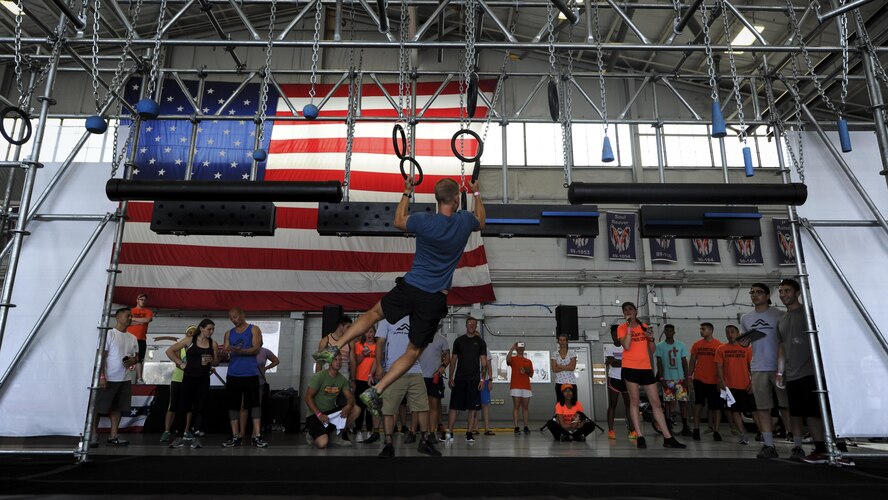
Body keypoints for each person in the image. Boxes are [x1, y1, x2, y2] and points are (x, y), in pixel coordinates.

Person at [311, 176, 485, 419]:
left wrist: (406, 191)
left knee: (373, 314)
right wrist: (476, 194)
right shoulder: (464, 220)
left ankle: (335, 347)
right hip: (433, 298)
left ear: (436, 199)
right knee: (413, 352)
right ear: (457, 198)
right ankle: (378, 390)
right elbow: (482, 222)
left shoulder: (424, 220)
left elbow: (398, 221)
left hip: (411, 287)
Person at [775, 279, 851, 465]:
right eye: (781, 291)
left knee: (823, 412)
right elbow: (783, 346)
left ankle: (840, 450)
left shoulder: (809, 314)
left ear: (797, 292)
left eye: (787, 290)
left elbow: (826, 338)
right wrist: (780, 371)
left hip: (813, 372)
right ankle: (820, 450)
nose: (783, 294)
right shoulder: (782, 320)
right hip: (793, 374)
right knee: (808, 414)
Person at [617, 302, 685, 449]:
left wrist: (651, 338)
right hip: (630, 367)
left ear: (636, 311)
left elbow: (652, 350)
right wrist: (629, 328)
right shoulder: (621, 328)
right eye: (625, 310)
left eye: (630, 309)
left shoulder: (645, 327)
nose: (628, 311)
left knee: (656, 402)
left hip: (645, 367)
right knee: (634, 401)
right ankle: (640, 436)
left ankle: (668, 437)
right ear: (624, 314)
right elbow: (627, 346)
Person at [375, 316, 441, 458]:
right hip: (394, 371)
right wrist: (379, 365)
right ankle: (388, 444)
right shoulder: (387, 319)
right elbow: (380, 343)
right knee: (388, 409)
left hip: (415, 370)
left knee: (423, 407)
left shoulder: (416, 319)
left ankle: (423, 442)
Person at [738, 282, 790, 459]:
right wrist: (744, 343)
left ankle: (796, 442)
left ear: (768, 296)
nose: (754, 295)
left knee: (786, 405)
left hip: (779, 367)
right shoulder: (746, 318)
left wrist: (783, 367)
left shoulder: (780, 315)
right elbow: (747, 342)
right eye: (751, 292)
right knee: (762, 408)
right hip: (759, 367)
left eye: (759, 292)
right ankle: (768, 444)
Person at [166, 319, 219, 449]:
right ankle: (178, 436)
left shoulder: (213, 343)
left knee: (200, 408)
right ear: (201, 328)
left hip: (203, 379)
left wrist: (213, 359)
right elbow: (169, 351)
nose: (211, 332)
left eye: (213, 329)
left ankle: (195, 437)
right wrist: (181, 363)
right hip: (189, 378)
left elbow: (216, 362)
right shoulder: (190, 340)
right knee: (183, 407)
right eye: (209, 329)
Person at [92, 307, 140, 447]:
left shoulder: (133, 337)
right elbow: (101, 356)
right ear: (118, 318)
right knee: (99, 408)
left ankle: (113, 436)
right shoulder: (109, 334)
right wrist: (101, 376)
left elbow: (136, 356)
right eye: (127, 316)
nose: (130, 318)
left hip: (124, 378)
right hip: (108, 378)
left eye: (131, 316)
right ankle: (93, 436)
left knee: (117, 408)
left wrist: (134, 361)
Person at [221, 308, 268, 448]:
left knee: (254, 404)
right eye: (231, 318)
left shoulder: (254, 329)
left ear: (242, 315)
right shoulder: (229, 333)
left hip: (251, 373)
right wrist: (223, 353)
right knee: (233, 405)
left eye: (236, 316)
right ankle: (236, 436)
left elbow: (256, 348)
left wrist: (240, 351)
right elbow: (225, 353)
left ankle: (257, 435)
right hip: (233, 373)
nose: (234, 320)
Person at [445, 317, 489, 443]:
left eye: (474, 324)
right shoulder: (459, 341)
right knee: (454, 407)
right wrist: (451, 377)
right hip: (459, 379)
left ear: (476, 326)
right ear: (466, 325)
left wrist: (482, 379)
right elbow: (453, 360)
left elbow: (484, 363)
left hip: (474, 380)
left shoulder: (481, 343)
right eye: (469, 323)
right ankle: (450, 433)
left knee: (473, 408)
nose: (471, 325)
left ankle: (469, 433)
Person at [303, 355, 360, 449]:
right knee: (322, 444)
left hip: (331, 415)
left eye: (340, 360)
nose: (338, 362)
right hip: (315, 415)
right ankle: (311, 434)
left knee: (356, 409)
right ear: (330, 362)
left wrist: (349, 405)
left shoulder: (342, 379)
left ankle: (335, 435)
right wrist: (319, 414)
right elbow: (307, 397)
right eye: (335, 360)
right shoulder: (319, 376)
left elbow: (350, 398)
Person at [715, 324, 754, 446]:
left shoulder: (747, 348)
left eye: (732, 332)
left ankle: (764, 433)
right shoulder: (721, 349)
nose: (730, 334)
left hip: (745, 385)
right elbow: (719, 366)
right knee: (734, 411)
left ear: (738, 333)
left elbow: (751, 367)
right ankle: (743, 433)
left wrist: (753, 382)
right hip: (729, 387)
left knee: (755, 411)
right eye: (727, 332)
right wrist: (721, 381)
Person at [156, 326, 196, 443]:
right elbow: (178, 363)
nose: (191, 335)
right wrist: (190, 367)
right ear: (186, 334)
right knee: (172, 406)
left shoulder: (198, 347)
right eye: (189, 333)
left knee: (189, 407)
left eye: (194, 333)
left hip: (191, 380)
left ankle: (186, 431)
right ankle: (167, 431)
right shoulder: (181, 347)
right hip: (178, 379)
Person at [655, 324, 692, 436]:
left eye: (671, 331)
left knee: (683, 403)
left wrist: (687, 377)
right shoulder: (660, 346)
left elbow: (684, 362)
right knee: (668, 403)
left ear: (674, 332)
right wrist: (661, 379)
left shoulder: (680, 345)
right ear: (664, 332)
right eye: (666, 331)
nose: (668, 333)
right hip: (667, 379)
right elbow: (659, 363)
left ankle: (685, 426)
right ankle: (668, 426)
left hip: (680, 379)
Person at [689, 322, 723, 441]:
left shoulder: (719, 345)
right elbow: (692, 361)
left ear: (710, 330)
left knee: (716, 407)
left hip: (714, 381)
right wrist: (689, 376)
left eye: (703, 329)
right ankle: (696, 429)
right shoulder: (696, 345)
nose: (701, 331)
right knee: (698, 404)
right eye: (700, 329)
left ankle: (716, 431)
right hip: (699, 379)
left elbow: (721, 365)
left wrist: (721, 380)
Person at [418, 331, 450, 441]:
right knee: (423, 407)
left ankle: (431, 432)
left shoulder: (441, 339)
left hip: (435, 377)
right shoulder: (419, 337)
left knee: (434, 405)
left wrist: (443, 366)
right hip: (420, 377)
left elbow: (447, 356)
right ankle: (424, 432)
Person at [604, 325, 634, 440]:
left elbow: (628, 362)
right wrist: (624, 361)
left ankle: (632, 430)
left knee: (629, 405)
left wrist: (617, 361)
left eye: (616, 334)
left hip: (626, 379)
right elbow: (613, 363)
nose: (614, 337)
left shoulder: (626, 346)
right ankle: (611, 430)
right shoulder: (609, 348)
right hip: (614, 379)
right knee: (613, 404)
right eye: (612, 335)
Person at [351, 325, 380, 444]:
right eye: (367, 332)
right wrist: (362, 354)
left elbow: (378, 362)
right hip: (359, 379)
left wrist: (372, 375)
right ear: (363, 334)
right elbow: (355, 363)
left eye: (371, 332)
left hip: (371, 380)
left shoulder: (377, 346)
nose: (369, 334)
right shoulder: (358, 345)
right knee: (359, 407)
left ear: (374, 333)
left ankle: (369, 431)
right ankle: (358, 431)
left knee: (370, 407)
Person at [507, 342, 533, 434]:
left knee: (525, 407)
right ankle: (516, 427)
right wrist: (512, 348)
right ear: (516, 348)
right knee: (516, 407)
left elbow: (531, 374)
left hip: (526, 386)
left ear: (524, 348)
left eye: (522, 347)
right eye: (519, 347)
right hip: (515, 386)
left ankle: (526, 426)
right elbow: (508, 360)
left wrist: (526, 370)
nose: (520, 348)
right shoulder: (513, 359)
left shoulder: (528, 361)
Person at [126, 292, 153, 384]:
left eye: (145, 300)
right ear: (137, 300)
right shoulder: (130, 311)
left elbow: (147, 320)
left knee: (139, 359)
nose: (143, 301)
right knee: (126, 357)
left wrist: (133, 319)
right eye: (141, 299)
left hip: (141, 339)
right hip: (129, 338)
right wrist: (139, 322)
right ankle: (125, 377)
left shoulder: (148, 311)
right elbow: (127, 322)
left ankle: (139, 379)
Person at [256, 342, 280, 434]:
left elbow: (276, 361)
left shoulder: (265, 351)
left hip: (260, 382)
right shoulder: (247, 351)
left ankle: (257, 430)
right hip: (247, 380)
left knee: (258, 406)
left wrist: (265, 368)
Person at [472, 351, 495, 436]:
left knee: (485, 404)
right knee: (474, 405)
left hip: (484, 380)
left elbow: (489, 366)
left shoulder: (485, 349)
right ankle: (475, 427)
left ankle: (487, 428)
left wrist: (490, 380)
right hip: (473, 380)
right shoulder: (470, 347)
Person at [550, 333, 577, 405]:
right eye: (560, 340)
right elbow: (554, 369)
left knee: (573, 403)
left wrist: (560, 366)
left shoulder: (572, 353)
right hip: (559, 382)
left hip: (571, 382)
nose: (562, 342)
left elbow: (572, 368)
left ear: (567, 341)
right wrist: (566, 366)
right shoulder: (554, 354)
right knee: (560, 403)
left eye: (564, 340)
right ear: (558, 342)